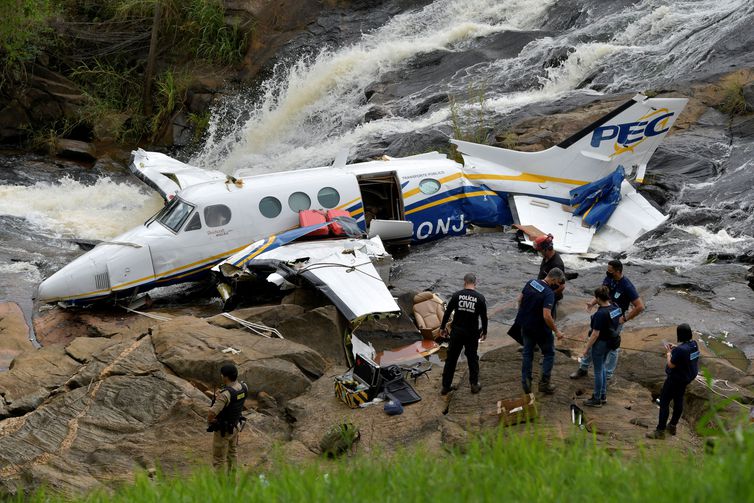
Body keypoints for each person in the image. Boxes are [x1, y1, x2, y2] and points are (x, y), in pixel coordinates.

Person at [571, 259, 644, 381]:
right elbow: (602, 293)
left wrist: (625, 318)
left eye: (610, 271)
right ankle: (583, 368)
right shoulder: (609, 279)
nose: (608, 273)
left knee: (613, 347)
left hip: (615, 319)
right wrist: (592, 303)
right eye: (607, 270)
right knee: (593, 338)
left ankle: (608, 375)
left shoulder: (627, 286)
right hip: (603, 314)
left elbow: (640, 306)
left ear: (618, 271)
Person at [515, 268, 565, 394]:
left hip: (525, 325)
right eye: (558, 283)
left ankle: (526, 383)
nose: (558, 285)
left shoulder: (531, 282)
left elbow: (519, 299)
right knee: (549, 353)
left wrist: (524, 314)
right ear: (553, 279)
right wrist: (557, 331)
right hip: (541, 330)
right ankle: (544, 384)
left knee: (527, 353)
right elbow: (547, 315)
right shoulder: (549, 293)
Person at [646, 324, 700, 439]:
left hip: (674, 380)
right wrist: (676, 347)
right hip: (685, 379)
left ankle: (660, 431)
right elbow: (686, 352)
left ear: (679, 334)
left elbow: (671, 364)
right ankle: (672, 425)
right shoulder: (694, 344)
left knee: (664, 403)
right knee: (678, 401)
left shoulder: (680, 350)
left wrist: (669, 354)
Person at [439, 273, 488, 395]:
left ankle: (446, 386)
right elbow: (484, 317)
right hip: (472, 334)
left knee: (451, 359)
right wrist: (485, 331)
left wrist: (442, 327)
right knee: (472, 358)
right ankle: (474, 385)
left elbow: (447, 312)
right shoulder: (480, 298)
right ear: (475, 283)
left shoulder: (457, 295)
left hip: (457, 332)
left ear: (464, 282)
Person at [581, 286, 621, 407]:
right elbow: (618, 322)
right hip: (611, 341)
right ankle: (603, 395)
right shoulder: (615, 307)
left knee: (598, 370)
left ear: (598, 298)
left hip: (601, 343)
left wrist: (586, 349)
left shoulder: (600, 314)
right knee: (602, 366)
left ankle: (597, 398)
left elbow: (595, 334)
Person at [207, 363, 248, 471]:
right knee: (232, 454)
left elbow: (212, 412)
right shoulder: (244, 387)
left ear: (225, 377)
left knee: (219, 459)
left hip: (223, 430)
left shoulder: (225, 394)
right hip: (235, 425)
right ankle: (232, 482)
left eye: (222, 375)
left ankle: (220, 486)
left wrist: (211, 421)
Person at [535, 234, 566, 319]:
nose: (539, 253)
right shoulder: (546, 257)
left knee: (548, 318)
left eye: (540, 251)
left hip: (550, 296)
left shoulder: (557, 264)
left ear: (546, 249)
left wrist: (549, 295)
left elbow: (562, 286)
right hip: (542, 292)